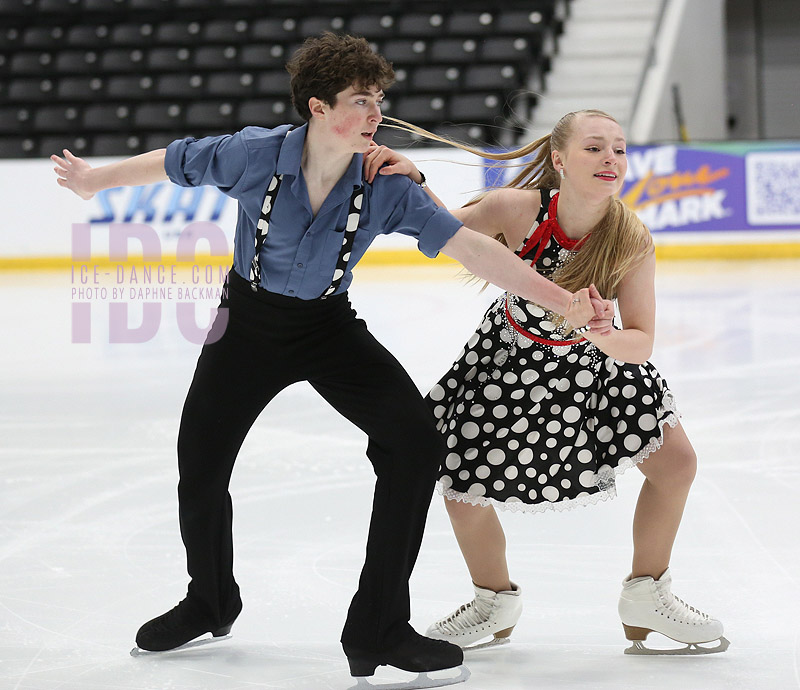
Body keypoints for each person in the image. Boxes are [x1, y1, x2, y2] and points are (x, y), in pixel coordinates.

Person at [51, 34, 604, 679]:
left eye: (379, 102)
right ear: (318, 108)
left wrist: (560, 301)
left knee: (415, 443)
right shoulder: (255, 154)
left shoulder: (388, 184)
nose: (377, 115)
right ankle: (210, 598)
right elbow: (173, 162)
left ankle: (377, 626)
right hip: (246, 323)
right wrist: (93, 182)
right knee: (199, 463)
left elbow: (470, 247)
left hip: (327, 327)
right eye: (362, 102)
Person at [363, 109, 728, 655]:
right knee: (460, 481)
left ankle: (647, 594)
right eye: (595, 148)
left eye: (619, 150)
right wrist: (415, 179)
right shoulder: (516, 209)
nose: (611, 159)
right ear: (558, 160)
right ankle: (493, 599)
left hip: (596, 370)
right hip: (507, 364)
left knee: (676, 463)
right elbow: (444, 227)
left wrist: (603, 332)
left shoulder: (630, 238)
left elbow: (642, 342)